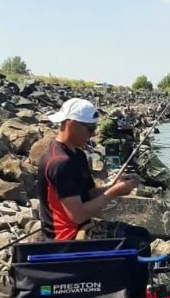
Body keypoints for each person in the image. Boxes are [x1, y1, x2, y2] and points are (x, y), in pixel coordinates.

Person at [37, 97, 138, 241]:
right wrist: (113, 193)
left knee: (139, 234)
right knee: (137, 242)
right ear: (71, 124)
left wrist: (116, 186)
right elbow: (77, 216)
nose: (94, 134)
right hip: (65, 239)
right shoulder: (59, 163)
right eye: (90, 129)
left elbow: (89, 194)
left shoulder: (78, 155)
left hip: (83, 227)